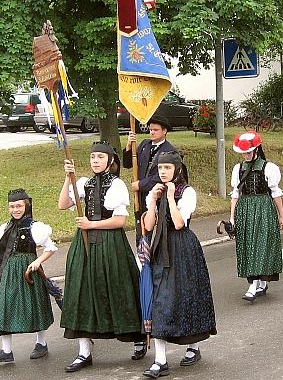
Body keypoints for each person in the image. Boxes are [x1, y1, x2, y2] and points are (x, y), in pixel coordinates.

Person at [58, 141, 143, 372]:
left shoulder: (117, 185)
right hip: (84, 244)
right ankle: (84, 352)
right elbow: (63, 204)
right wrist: (69, 177)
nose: (95, 160)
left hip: (110, 244)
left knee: (119, 288)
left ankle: (137, 337)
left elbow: (120, 221)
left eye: (100, 157)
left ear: (110, 161)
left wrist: (91, 223)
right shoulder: (83, 183)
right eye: (93, 157)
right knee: (81, 291)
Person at [141, 152, 217, 378]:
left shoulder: (187, 192)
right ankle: (160, 360)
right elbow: (147, 226)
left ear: (177, 169)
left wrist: (172, 198)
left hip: (182, 248)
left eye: (166, 168)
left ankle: (193, 346)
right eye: (159, 168)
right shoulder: (156, 191)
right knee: (159, 301)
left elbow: (179, 223)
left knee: (186, 297)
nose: (162, 171)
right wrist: (153, 200)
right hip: (160, 248)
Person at [122, 115, 177, 359]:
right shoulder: (142, 145)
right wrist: (128, 147)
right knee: (141, 249)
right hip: (142, 206)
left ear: (164, 131)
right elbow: (127, 165)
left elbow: (161, 177)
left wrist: (141, 184)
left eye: (155, 129)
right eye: (150, 129)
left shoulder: (170, 151)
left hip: (157, 201)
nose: (151, 132)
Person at [0, 189, 57, 363]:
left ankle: (41, 344)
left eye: (18, 206)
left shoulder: (35, 227)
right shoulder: (5, 227)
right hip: (8, 271)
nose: (15, 209)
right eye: (12, 206)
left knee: (36, 305)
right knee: (4, 308)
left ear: (26, 205)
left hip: (29, 271)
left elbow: (51, 248)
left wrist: (38, 261)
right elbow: (2, 252)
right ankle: (6, 350)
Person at [230, 131, 283, 301]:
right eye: (243, 153)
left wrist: (282, 216)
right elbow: (235, 194)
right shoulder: (238, 169)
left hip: (264, 208)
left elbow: (275, 193)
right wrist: (232, 217)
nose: (245, 155)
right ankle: (260, 283)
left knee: (261, 245)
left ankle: (253, 285)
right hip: (245, 210)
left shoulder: (268, 167)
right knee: (248, 245)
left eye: (248, 152)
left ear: (256, 150)